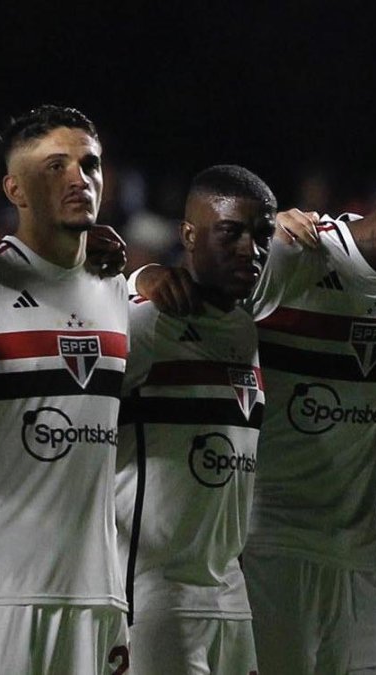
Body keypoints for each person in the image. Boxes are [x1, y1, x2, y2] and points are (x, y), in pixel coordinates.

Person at [135, 159, 376, 673]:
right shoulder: (294, 254)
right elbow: (199, 294)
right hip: (267, 554)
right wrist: (144, 275)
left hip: (360, 559)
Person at [0, 105, 130, 674]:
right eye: (55, 166)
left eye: (90, 164)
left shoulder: (120, 294)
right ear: (14, 189)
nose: (79, 178)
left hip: (100, 596)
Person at [115, 164, 275, 674]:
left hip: (231, 594)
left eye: (262, 235)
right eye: (230, 232)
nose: (250, 249)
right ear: (187, 235)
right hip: (155, 597)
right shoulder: (146, 322)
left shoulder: (251, 331)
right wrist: (134, 279)